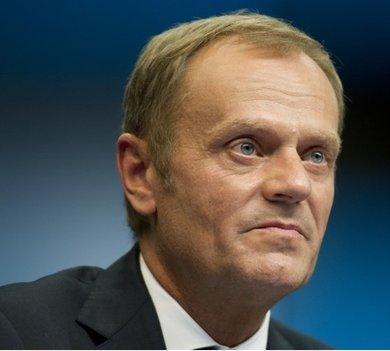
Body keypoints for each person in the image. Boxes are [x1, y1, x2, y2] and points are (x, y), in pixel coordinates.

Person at [0, 11, 344, 349]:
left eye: (315, 156)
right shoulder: (17, 334)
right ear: (141, 174)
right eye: (247, 147)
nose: (296, 184)